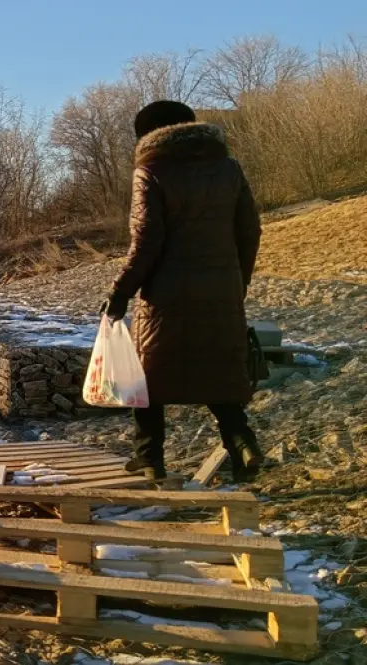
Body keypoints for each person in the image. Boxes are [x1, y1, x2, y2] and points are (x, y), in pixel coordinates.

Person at [104, 100, 265, 482]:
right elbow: (250, 231)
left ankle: (149, 458)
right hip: (221, 290)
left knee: (148, 377)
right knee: (219, 371)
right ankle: (243, 446)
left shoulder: (151, 171)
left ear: (148, 134)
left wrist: (121, 292)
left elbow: (146, 241)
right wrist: (236, 282)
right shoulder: (228, 169)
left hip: (165, 296)